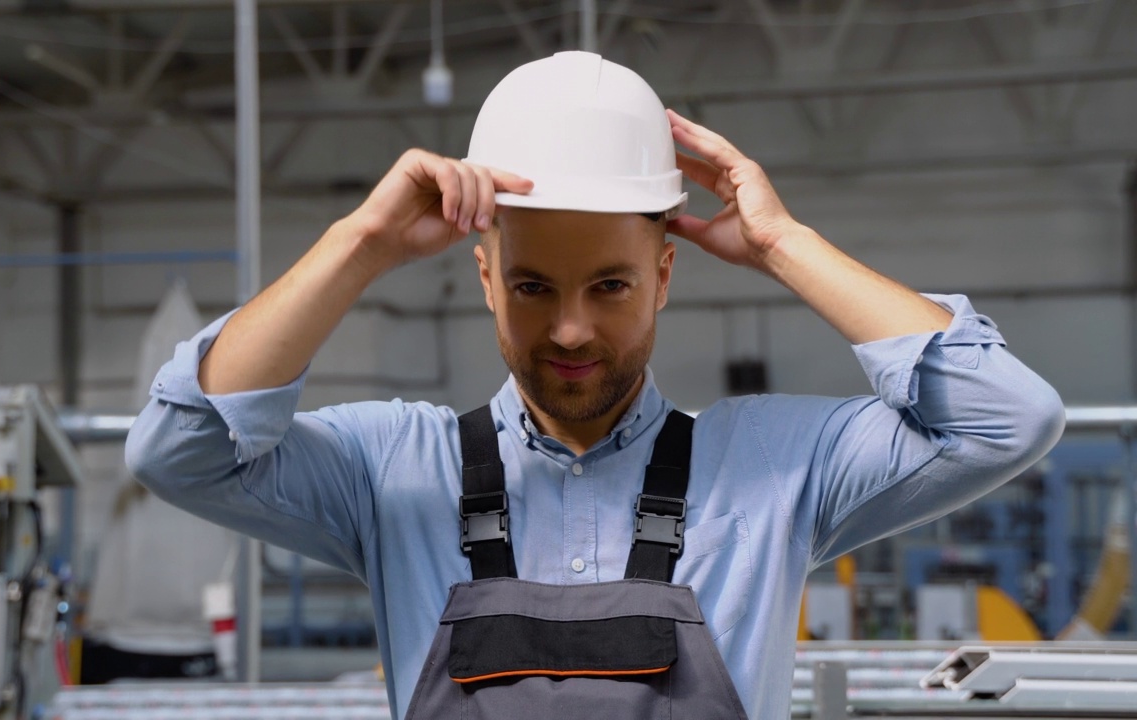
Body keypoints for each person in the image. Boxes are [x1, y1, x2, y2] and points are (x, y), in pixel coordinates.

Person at [125, 52, 1064, 719]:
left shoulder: (777, 470)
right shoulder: (390, 471)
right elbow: (180, 453)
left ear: (663, 272)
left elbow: (1007, 419)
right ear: (486, 277)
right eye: (533, 287)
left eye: (609, 286)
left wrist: (785, 245)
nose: (571, 329)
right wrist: (357, 247)